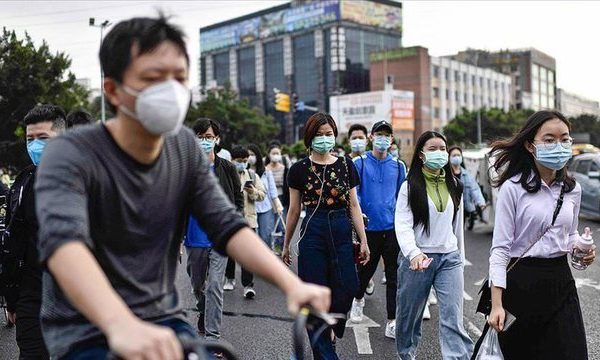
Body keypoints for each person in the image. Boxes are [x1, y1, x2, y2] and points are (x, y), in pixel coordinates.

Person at [33, 15, 330, 360]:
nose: (170, 90)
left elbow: (228, 225)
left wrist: (292, 285)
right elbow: (65, 246)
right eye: (152, 79)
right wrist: (120, 324)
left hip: (163, 320)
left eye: (178, 78)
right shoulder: (70, 153)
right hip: (87, 331)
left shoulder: (183, 148)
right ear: (113, 90)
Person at [485, 110, 596, 359]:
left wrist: (581, 249)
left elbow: (568, 237)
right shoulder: (512, 189)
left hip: (561, 282)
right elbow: (500, 250)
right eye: (549, 140)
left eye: (565, 139)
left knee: (573, 352)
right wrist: (497, 305)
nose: (559, 145)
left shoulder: (573, 189)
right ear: (530, 145)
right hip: (522, 284)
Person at [282, 112, 370, 360]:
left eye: (328, 134)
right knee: (313, 297)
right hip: (313, 230)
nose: (324, 138)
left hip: (341, 227)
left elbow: (354, 205)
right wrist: (286, 244)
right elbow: (294, 209)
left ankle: (331, 328)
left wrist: (363, 240)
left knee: (349, 287)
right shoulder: (298, 169)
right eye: (319, 135)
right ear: (309, 138)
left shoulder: (345, 165)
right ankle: (326, 354)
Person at [394, 131, 473, 359]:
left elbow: (456, 227)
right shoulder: (409, 187)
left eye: (442, 149)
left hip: (449, 258)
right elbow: (403, 225)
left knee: (452, 317)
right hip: (417, 260)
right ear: (421, 154)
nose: (440, 153)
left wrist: (460, 258)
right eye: (433, 149)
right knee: (409, 318)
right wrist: (413, 254)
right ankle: (406, 355)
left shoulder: (455, 185)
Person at [3, 104, 66, 359]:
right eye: (30, 139)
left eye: (43, 139)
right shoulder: (22, 183)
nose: (35, 146)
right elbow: (13, 240)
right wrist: (12, 297)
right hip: (32, 292)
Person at [184, 118, 243, 344]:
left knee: (215, 286)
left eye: (209, 137)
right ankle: (203, 310)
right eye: (200, 137)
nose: (205, 141)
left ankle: (213, 337)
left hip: (220, 238)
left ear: (217, 140)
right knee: (198, 286)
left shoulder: (227, 168)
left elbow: (237, 199)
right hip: (193, 237)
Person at [349, 121, 406, 339]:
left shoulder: (399, 166)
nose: (383, 139)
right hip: (368, 229)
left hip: (391, 229)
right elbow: (354, 196)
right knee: (365, 272)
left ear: (391, 139)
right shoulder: (359, 163)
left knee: (393, 277)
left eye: (387, 135)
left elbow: (402, 198)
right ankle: (358, 299)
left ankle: (392, 321)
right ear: (371, 137)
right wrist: (359, 219)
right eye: (379, 134)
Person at [224, 146, 266, 298]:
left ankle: (248, 285)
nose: (242, 163)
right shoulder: (226, 174)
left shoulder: (252, 176)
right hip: (230, 219)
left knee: (247, 254)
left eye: (244, 161)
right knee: (230, 251)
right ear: (232, 160)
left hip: (249, 221)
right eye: (238, 161)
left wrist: (252, 191)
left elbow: (262, 195)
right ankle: (229, 278)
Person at [248, 144, 284, 251]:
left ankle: (266, 262)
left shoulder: (266, 172)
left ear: (258, 156)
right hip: (249, 209)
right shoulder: (243, 173)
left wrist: (278, 206)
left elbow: (273, 191)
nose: (250, 157)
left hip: (265, 208)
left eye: (253, 154)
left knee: (266, 236)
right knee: (252, 239)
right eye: (248, 155)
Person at [448, 146, 487, 231]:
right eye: (454, 155)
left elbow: (475, 189)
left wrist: (481, 202)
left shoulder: (467, 174)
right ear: (449, 157)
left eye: (458, 155)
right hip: (449, 208)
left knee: (459, 231)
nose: (456, 157)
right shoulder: (445, 174)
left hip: (463, 208)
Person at [265, 142, 290, 254]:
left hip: (282, 200)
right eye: (273, 153)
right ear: (269, 155)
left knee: (282, 225)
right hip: (269, 201)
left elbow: (288, 187)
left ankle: (281, 249)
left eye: (277, 153)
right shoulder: (265, 170)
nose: (275, 155)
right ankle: (270, 249)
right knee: (269, 226)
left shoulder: (285, 169)